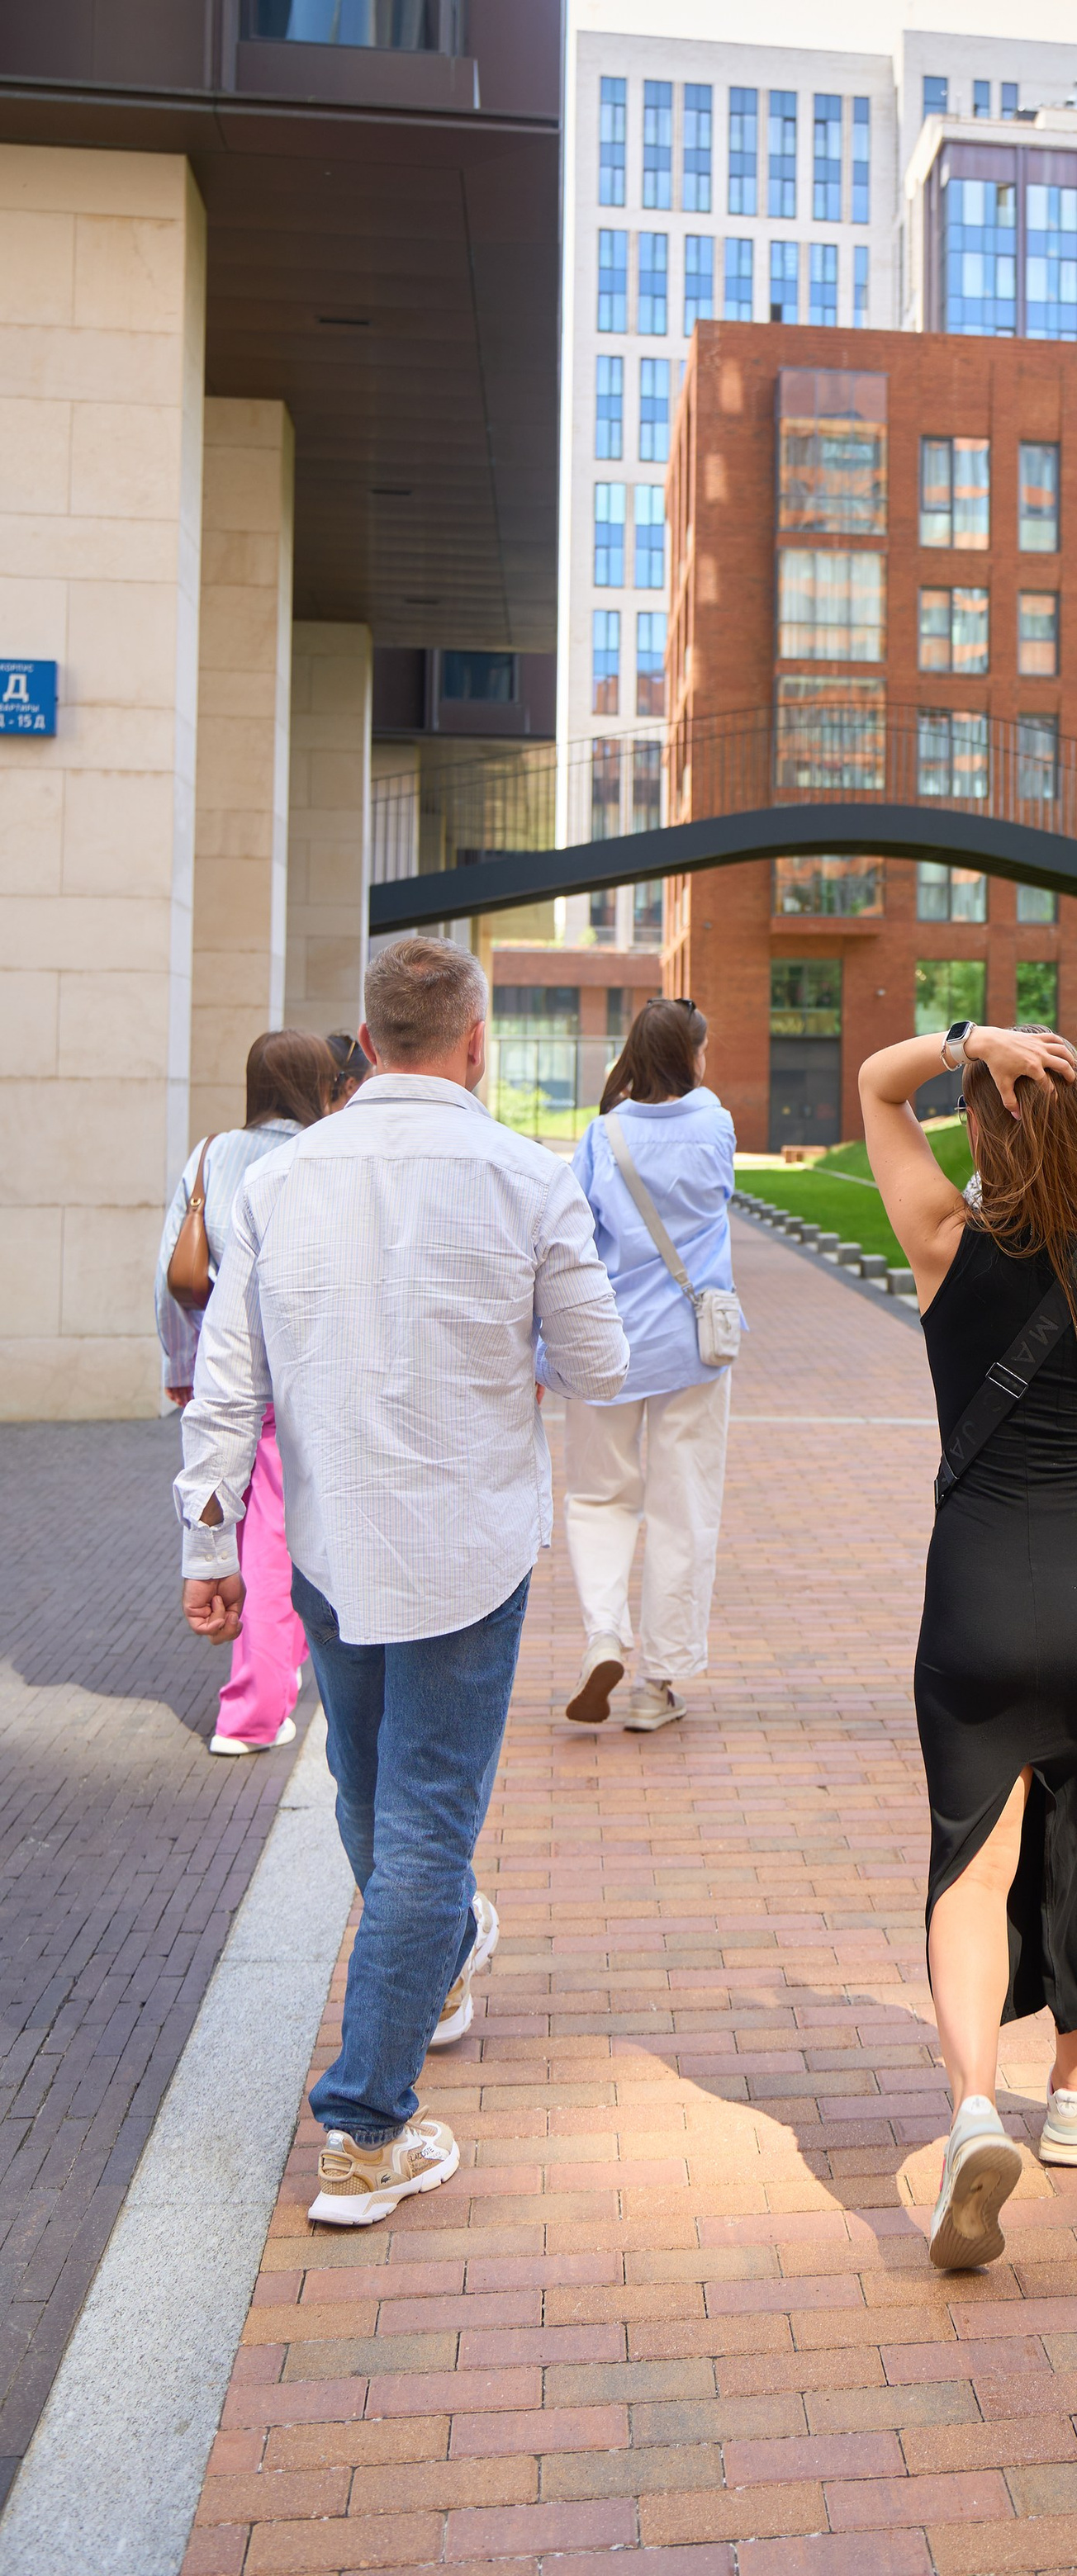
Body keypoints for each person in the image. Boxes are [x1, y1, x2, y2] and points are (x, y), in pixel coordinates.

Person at [175, 935, 629, 2228]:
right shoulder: (528, 1177)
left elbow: (226, 1386)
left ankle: (423, 1977)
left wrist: (210, 1547)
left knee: (372, 1794)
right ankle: (367, 2127)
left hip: (327, 1538)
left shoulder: (282, 1178)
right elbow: (596, 1369)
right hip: (469, 1547)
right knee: (424, 1822)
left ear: (366, 1046)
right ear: (475, 1044)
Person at [859, 1016, 1077, 2274]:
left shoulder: (943, 1242)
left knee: (972, 1859)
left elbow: (873, 1087)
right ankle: (1073, 2097)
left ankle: (968, 2114)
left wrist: (966, 1040)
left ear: (985, 1120)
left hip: (976, 1598)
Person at [557, 995, 738, 1735]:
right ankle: (655, 1686)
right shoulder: (716, 1123)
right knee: (681, 1508)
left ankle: (605, 1632)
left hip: (606, 1346)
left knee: (601, 1498)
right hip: (693, 1347)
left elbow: (572, 1236)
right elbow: (721, 1193)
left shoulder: (604, 1136)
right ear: (691, 1055)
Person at [158, 1029, 338, 1755]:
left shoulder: (208, 1156)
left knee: (246, 1532)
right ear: (321, 1085)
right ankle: (256, 1710)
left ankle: (267, 1692)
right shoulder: (322, 1159)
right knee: (281, 1541)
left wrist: (180, 1365)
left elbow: (171, 1274)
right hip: (302, 1375)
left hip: (223, 1372)